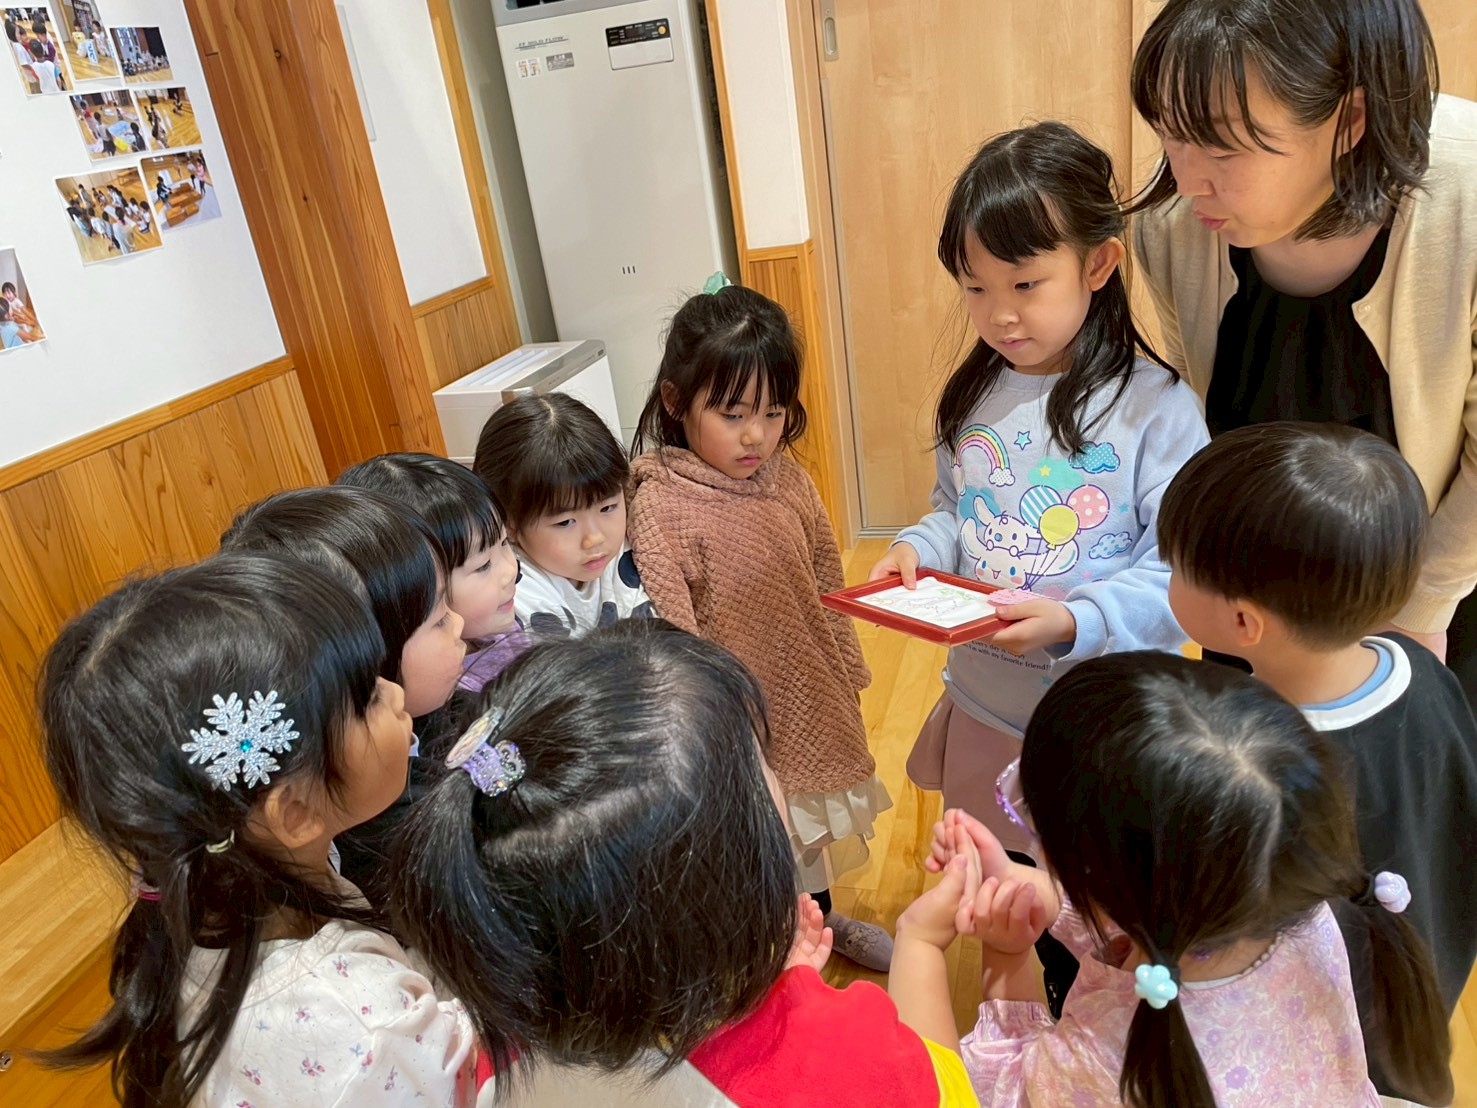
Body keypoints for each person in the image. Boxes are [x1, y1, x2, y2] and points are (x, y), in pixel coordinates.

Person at [867, 121, 1209, 1009]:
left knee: (1105, 922)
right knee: (1008, 905)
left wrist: (1075, 620)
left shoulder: (1156, 408)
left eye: (1025, 284)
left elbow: (1179, 572)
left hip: (1103, 726)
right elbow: (956, 510)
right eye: (975, 288)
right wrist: (918, 548)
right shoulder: (974, 395)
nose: (999, 315)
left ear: (1097, 265)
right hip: (989, 708)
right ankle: (1028, 1025)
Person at [389, 620, 978, 1106]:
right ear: (733, 874)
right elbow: (944, 1085)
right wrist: (922, 944)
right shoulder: (851, 1059)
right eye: (764, 765)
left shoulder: (493, 1052)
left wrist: (784, 985)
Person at [898, 652, 1452, 1107]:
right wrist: (1041, 897)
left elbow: (967, 1093)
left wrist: (943, 948)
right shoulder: (1292, 912)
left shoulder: (1104, 1060)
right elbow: (1160, 912)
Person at [1129, 0, 1477, 701]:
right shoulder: (1171, 228)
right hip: (1252, 597)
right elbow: (1201, 419)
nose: (1187, 181)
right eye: (1170, 134)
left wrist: (1423, 608)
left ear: (1350, 121)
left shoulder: (1464, 204)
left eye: (1222, 146)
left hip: (1445, 580)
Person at [36, 555, 477, 1106]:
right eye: (367, 695)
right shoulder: (361, 1029)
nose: (394, 693)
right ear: (294, 814)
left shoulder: (218, 884)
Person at [1158, 421, 1477, 1102]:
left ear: (1243, 623)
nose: (1170, 578)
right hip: (1425, 973)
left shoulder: (1244, 762)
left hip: (1314, 1032)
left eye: (1175, 568)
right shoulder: (1421, 669)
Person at [628, 277, 895, 972]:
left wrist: (848, 668)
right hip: (735, 709)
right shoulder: (659, 503)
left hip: (807, 685)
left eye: (774, 412)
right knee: (756, 836)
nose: (757, 435)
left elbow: (827, 578)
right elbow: (674, 631)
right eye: (733, 414)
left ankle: (825, 923)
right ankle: (770, 955)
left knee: (811, 829)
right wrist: (710, 723)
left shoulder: (787, 479)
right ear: (675, 402)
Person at [220, 486, 468, 899]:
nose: (459, 624)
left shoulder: (427, 714)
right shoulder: (388, 831)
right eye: (439, 617)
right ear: (365, 659)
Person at [337, 453, 526, 695]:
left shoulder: (499, 628)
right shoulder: (436, 690)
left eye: (504, 542)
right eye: (483, 565)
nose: (510, 570)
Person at [473, 393, 654, 637]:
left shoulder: (642, 544)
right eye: (565, 522)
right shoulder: (511, 595)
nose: (595, 538)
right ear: (510, 524)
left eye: (607, 508)